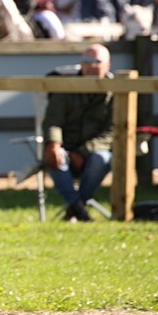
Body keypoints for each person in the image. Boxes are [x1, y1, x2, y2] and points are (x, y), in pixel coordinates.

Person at [43, 44, 113, 222]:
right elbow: (53, 122)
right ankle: (80, 211)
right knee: (55, 157)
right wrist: (54, 145)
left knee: (101, 158)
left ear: (108, 66)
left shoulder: (116, 93)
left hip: (96, 151)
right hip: (66, 147)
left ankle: (75, 209)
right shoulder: (66, 87)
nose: (91, 66)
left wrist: (83, 152)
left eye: (96, 61)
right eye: (86, 61)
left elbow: (112, 131)